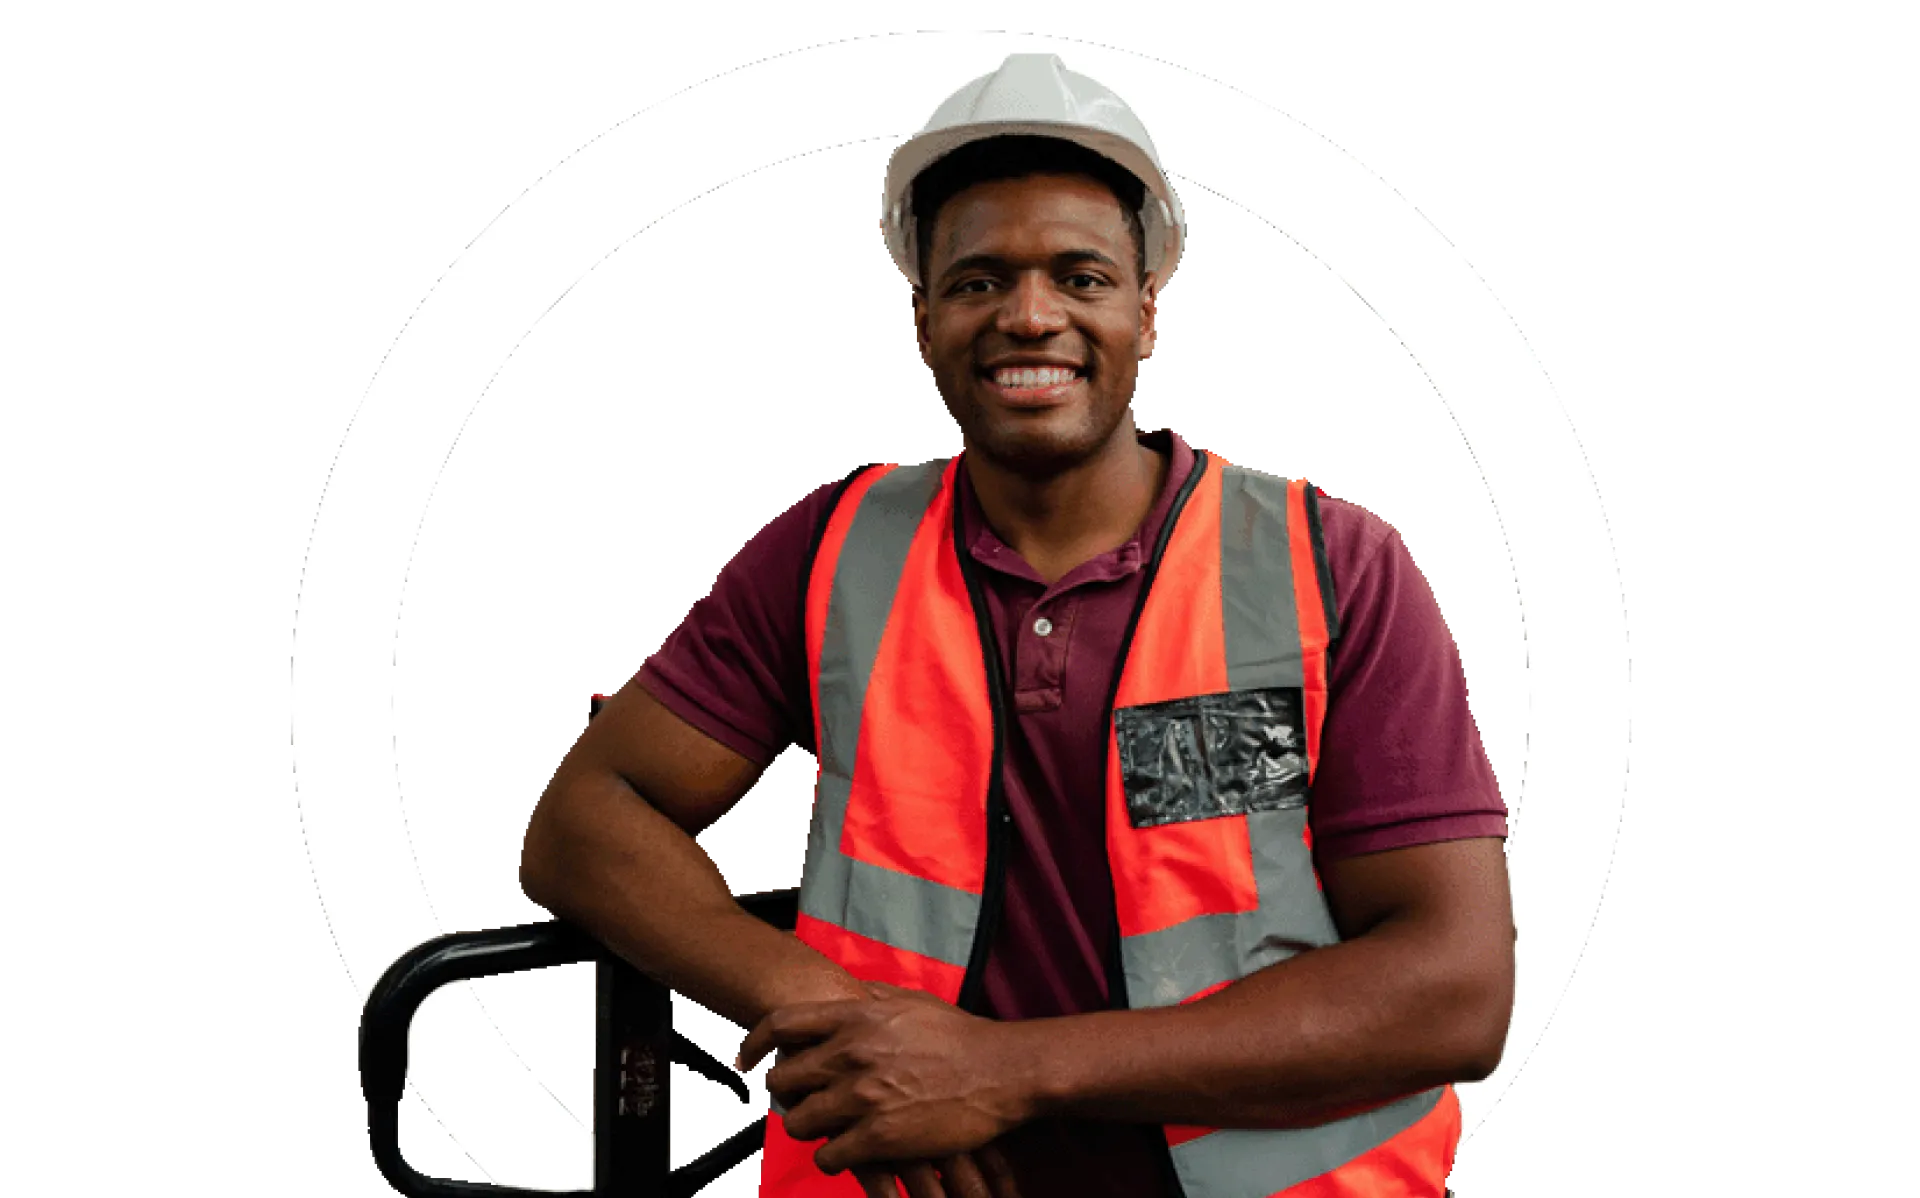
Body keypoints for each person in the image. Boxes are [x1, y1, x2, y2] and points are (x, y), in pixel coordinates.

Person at [520, 53, 1515, 1198]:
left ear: (1147, 310)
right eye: (980, 280)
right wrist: (859, 1035)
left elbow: (1453, 986)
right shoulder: (834, 547)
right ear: (925, 319)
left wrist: (1008, 1070)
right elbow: (586, 819)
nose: (1028, 314)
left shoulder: (1330, 566)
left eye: (1080, 276)